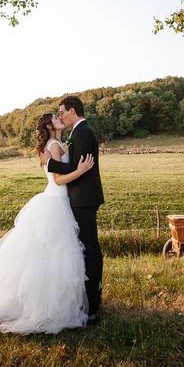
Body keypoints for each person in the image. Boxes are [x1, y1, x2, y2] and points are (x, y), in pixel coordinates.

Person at [0, 112, 95, 334]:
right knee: (53, 257)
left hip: (57, 201)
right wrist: (80, 170)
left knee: (52, 257)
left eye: (61, 116)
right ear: (50, 126)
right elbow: (58, 179)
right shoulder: (53, 145)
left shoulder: (57, 143)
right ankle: (44, 308)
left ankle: (52, 303)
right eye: (56, 118)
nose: (60, 118)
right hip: (55, 202)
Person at [44, 95, 105, 323]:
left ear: (72, 111)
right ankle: (90, 298)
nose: (60, 115)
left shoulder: (83, 132)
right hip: (80, 198)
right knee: (86, 248)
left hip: (84, 198)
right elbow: (74, 166)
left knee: (89, 248)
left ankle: (93, 305)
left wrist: (49, 163)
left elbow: (76, 167)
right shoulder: (78, 132)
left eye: (62, 112)